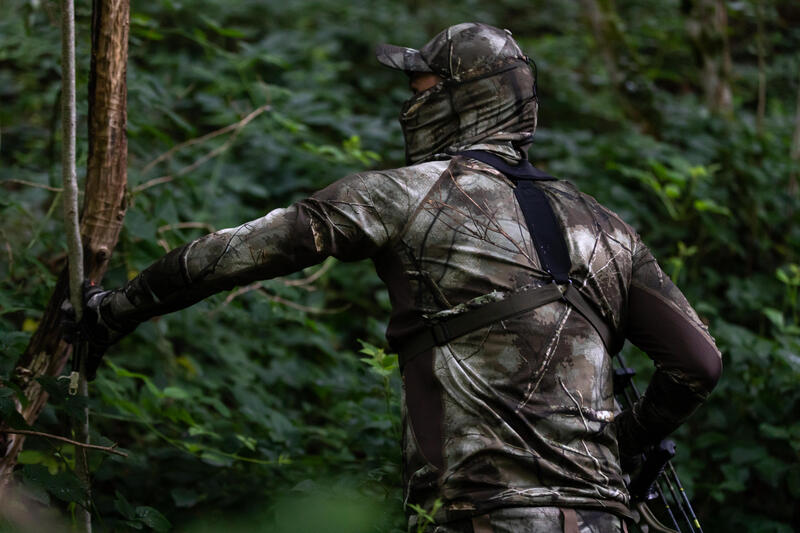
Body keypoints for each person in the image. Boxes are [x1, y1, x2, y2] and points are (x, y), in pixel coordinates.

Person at [69, 22, 721, 533]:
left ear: (467, 99)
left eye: (423, 89)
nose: (410, 105)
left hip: (481, 516)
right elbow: (698, 361)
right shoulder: (607, 227)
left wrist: (116, 307)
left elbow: (242, 250)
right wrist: (621, 442)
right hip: (607, 518)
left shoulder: (408, 194)